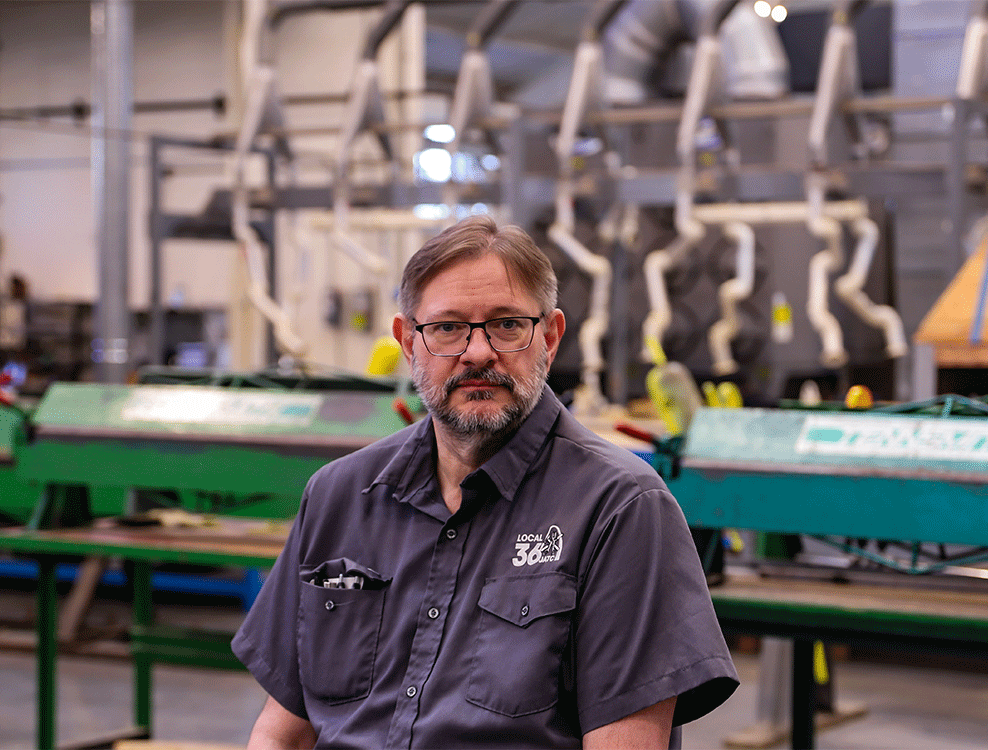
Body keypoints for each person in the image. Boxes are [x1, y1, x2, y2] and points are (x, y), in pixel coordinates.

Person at [232, 216, 738, 749]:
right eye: (447, 327)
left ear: (550, 336)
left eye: (506, 325)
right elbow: (280, 732)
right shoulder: (341, 495)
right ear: (408, 342)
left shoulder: (621, 509)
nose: (478, 353)